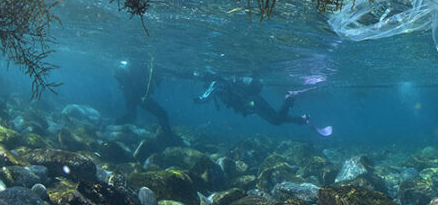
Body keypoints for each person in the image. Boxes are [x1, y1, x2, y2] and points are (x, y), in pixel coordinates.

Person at [194, 74, 332, 136]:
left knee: (275, 120)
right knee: (275, 119)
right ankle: (302, 119)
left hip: (252, 101)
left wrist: (198, 100)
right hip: (252, 102)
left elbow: (205, 97)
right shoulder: (221, 84)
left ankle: (291, 98)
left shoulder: (214, 84)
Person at [114, 57, 174, 136]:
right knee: (162, 114)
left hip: (131, 95)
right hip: (139, 97)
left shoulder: (140, 69)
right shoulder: (147, 68)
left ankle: (114, 126)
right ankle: (168, 136)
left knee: (132, 115)